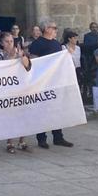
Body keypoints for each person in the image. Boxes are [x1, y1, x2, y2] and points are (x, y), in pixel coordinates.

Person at [29, 18, 73, 149]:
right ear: (46, 29)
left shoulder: (56, 44)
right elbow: (34, 62)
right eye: (54, 27)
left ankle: (58, 137)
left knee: (56, 109)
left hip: (56, 81)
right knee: (42, 110)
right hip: (42, 82)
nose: (56, 30)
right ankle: (41, 138)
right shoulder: (37, 44)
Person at [0, 31, 32, 153]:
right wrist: (13, 57)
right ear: (2, 43)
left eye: (11, 41)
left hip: (20, 88)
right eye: (7, 42)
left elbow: (28, 67)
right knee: (10, 117)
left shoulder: (19, 51)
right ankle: (10, 142)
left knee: (23, 115)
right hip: (6, 89)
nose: (10, 44)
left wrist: (21, 56)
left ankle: (22, 141)